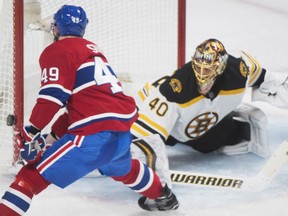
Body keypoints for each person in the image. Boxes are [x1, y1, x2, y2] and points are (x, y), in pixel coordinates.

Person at [0, 5, 179, 215]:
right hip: (120, 133)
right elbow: (79, 110)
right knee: (124, 168)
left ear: (56, 29)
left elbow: (52, 97)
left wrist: (31, 131)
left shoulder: (58, 50)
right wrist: (50, 139)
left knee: (29, 178)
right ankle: (163, 195)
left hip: (91, 138)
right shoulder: (94, 52)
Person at [127, 38, 288, 186]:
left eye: (208, 70)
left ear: (222, 66)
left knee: (214, 143)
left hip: (195, 123)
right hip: (150, 114)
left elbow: (269, 80)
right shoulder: (173, 92)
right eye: (198, 68)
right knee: (133, 149)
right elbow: (144, 140)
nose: (202, 76)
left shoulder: (239, 69)